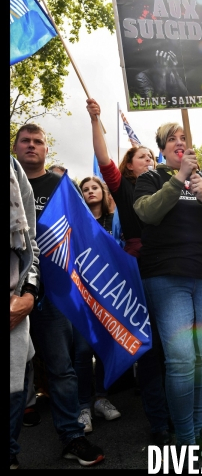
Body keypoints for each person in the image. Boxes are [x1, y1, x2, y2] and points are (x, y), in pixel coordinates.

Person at [133, 121, 202, 457]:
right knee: (180, 360)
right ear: (162, 149)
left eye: (183, 138)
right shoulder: (151, 178)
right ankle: (185, 442)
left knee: (198, 358)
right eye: (171, 140)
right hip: (167, 275)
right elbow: (147, 214)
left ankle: (196, 430)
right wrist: (178, 180)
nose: (179, 143)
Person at [13, 124, 105, 466]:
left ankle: (72, 437)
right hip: (13, 293)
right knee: (15, 373)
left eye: (38, 142)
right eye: (26, 141)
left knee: (61, 369)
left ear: (46, 150)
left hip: (55, 295)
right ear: (16, 146)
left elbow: (84, 232)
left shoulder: (61, 187)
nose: (32, 146)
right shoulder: (9, 182)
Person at [86, 98, 171, 447]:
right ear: (130, 168)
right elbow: (104, 160)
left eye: (153, 156)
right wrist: (96, 121)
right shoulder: (125, 188)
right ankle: (160, 424)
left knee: (176, 348)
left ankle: (183, 415)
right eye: (143, 157)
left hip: (174, 268)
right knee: (152, 352)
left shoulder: (171, 186)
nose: (150, 160)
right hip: (142, 273)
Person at [73, 176, 122, 434]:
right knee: (82, 351)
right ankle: (83, 405)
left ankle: (102, 398)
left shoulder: (116, 221)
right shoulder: (76, 222)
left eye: (95, 187)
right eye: (85, 189)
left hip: (110, 294)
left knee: (104, 348)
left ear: (103, 192)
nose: (90, 192)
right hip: (82, 296)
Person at [10, 155, 40, 469]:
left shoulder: (15, 170)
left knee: (16, 384)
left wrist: (29, 293)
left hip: (14, 307)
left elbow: (30, 242)